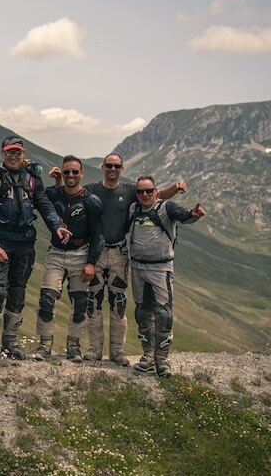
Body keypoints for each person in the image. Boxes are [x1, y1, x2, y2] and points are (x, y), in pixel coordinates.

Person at [81, 154, 187, 365]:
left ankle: (117, 352)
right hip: (96, 252)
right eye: (109, 165)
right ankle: (94, 349)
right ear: (103, 167)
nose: (113, 169)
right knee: (93, 301)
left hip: (120, 252)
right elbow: (72, 194)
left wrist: (176, 188)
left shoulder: (130, 191)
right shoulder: (92, 189)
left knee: (118, 301)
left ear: (121, 168)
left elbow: (156, 195)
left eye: (117, 166)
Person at [0, 136, 72, 366]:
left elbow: (45, 205)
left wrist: (57, 225)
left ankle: (10, 341)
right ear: (2, 152)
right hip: (0, 241)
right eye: (9, 152)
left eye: (17, 152)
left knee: (18, 292)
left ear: (23, 153)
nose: (13, 156)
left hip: (25, 243)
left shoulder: (33, 179)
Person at [128, 175, 206, 377]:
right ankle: (148, 356)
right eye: (140, 191)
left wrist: (195, 214)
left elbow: (185, 216)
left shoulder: (166, 208)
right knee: (143, 313)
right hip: (137, 268)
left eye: (148, 190)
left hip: (160, 269)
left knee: (163, 313)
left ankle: (162, 360)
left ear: (156, 191)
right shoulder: (133, 209)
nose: (144, 194)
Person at [33, 155, 103, 362]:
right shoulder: (53, 193)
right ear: (62, 174)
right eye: (66, 172)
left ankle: (73, 347)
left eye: (74, 172)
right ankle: (44, 345)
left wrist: (91, 262)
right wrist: (54, 182)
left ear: (82, 174)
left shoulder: (91, 201)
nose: (71, 175)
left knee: (79, 303)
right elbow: (38, 199)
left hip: (81, 253)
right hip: (56, 252)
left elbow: (98, 235)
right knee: (47, 298)